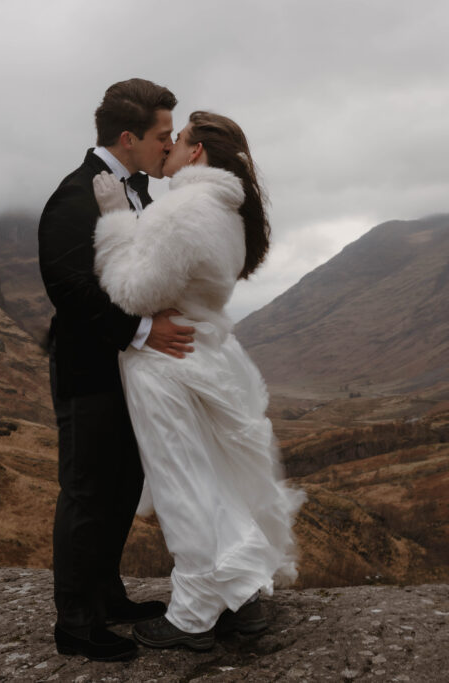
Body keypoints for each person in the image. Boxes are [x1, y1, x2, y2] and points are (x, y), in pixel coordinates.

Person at [92, 111, 305, 651]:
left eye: (178, 139)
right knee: (214, 480)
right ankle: (242, 601)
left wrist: (115, 224)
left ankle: (192, 615)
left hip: (167, 366)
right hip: (208, 356)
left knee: (181, 485)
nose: (168, 147)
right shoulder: (227, 211)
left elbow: (134, 293)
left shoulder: (184, 209)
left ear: (197, 153)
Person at [37, 78, 198, 662]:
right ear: (128, 138)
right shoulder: (72, 197)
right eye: (162, 135)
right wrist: (144, 331)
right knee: (86, 491)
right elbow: (71, 289)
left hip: (133, 376)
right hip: (90, 374)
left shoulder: (139, 193)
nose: (169, 145)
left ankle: (106, 597)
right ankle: (76, 624)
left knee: (124, 485)